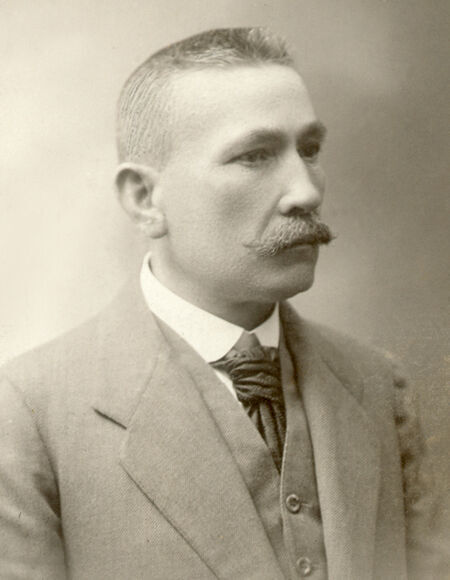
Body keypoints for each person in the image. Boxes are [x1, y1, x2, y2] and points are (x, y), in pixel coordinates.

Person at [0, 27, 442, 579]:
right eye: (255, 156)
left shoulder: (377, 385)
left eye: (309, 150)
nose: (307, 192)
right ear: (145, 198)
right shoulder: (27, 415)